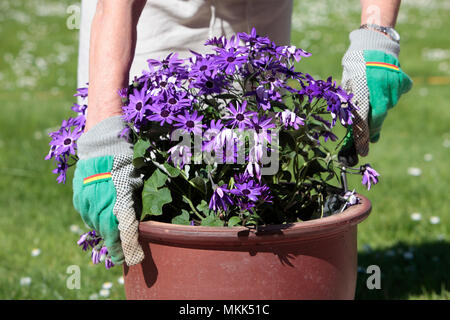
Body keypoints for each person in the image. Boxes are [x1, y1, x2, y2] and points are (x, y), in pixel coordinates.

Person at [73, 0, 412, 267]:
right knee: (157, 170)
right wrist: (103, 133)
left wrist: (376, 33)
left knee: (256, 164)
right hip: (158, 10)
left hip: (254, 8)